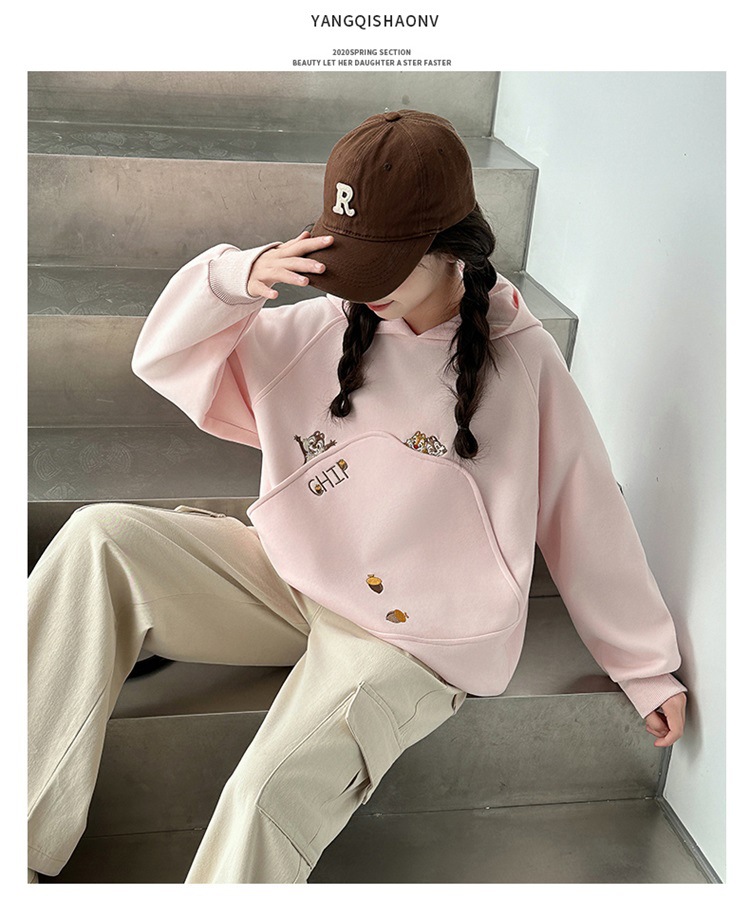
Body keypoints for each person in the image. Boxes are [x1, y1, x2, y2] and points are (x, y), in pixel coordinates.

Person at [27, 109, 688, 885]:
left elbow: (586, 514)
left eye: (382, 268)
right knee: (99, 538)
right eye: (352, 262)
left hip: (413, 640)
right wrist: (234, 279)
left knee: (264, 793)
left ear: (450, 248)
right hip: (293, 582)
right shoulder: (324, 328)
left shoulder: (526, 363)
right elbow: (163, 359)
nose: (363, 289)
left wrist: (646, 666)